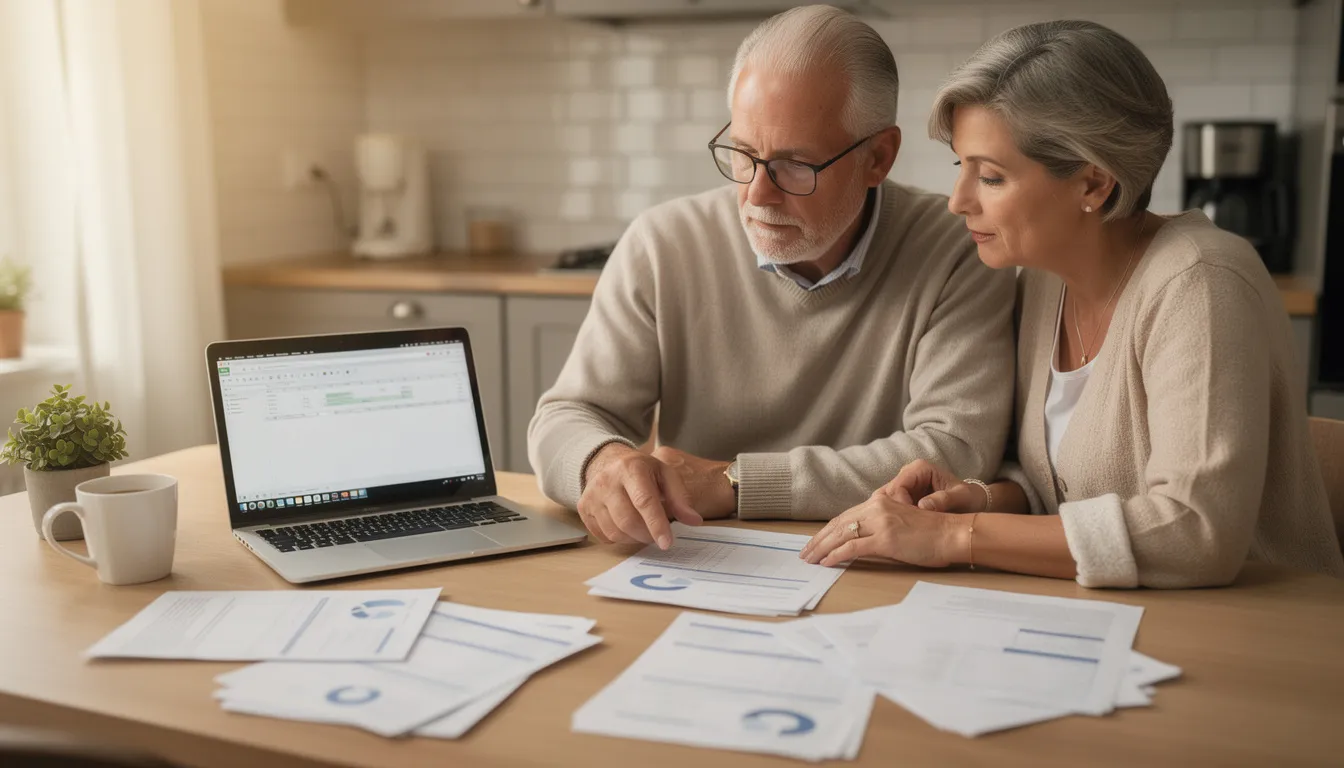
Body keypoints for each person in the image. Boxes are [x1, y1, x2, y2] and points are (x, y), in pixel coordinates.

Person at [801, 20, 1344, 588]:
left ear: (1093, 184)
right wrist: (977, 500)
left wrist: (946, 539)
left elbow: (1193, 531)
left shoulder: (1201, 283)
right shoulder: (1044, 281)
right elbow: (1065, 492)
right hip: (1120, 618)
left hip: (1262, 634)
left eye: (990, 177)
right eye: (959, 168)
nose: (957, 202)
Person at [527, 5, 1016, 550]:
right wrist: (602, 461)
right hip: (695, 558)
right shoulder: (662, 244)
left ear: (878, 158)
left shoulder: (957, 250)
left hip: (876, 557)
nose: (757, 195)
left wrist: (734, 482)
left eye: (794, 164)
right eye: (742, 153)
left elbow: (955, 451)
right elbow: (568, 415)